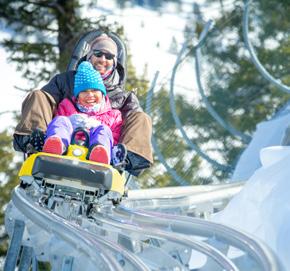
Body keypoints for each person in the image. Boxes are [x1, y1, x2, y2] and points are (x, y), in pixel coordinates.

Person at [13, 33, 153, 176]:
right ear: (89, 56)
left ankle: (123, 158)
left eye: (109, 56)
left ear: (115, 62)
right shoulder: (65, 81)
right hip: (64, 133)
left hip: (104, 142)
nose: (102, 59)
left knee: (141, 117)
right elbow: (47, 103)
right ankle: (38, 142)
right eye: (98, 54)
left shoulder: (124, 97)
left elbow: (131, 124)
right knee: (38, 96)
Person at [42, 61, 125, 165]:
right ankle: (56, 144)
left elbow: (115, 137)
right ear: (77, 96)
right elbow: (57, 124)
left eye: (95, 90)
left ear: (102, 93)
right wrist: (71, 122)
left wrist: (95, 127)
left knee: (104, 130)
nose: (90, 95)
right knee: (60, 120)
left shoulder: (114, 115)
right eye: (84, 91)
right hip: (68, 149)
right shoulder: (67, 105)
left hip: (92, 153)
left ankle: (99, 152)